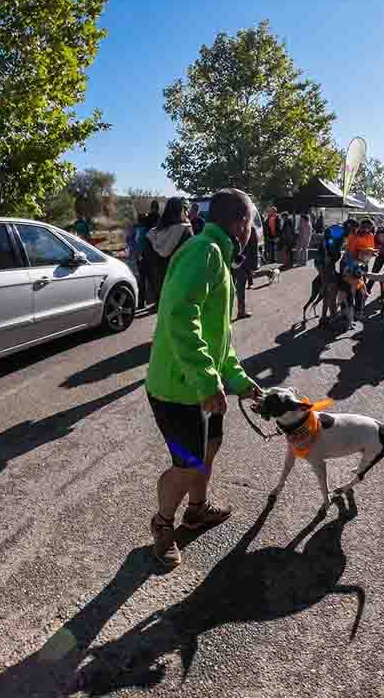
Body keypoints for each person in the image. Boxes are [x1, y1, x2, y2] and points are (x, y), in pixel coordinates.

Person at [146, 189, 262, 569]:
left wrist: (240, 382)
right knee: (188, 464)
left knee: (208, 450)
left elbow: (218, 338)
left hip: (200, 384)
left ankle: (196, 510)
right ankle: (163, 525)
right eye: (252, 223)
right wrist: (208, 382)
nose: (253, 231)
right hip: (179, 388)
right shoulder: (205, 252)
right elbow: (180, 316)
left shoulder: (218, 255)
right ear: (241, 223)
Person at [145, 198, 194, 302]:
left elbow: (149, 259)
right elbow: (191, 257)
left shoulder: (153, 233)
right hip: (179, 282)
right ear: (181, 210)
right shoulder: (185, 230)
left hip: (159, 282)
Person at [234, 224, 260, 319]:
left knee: (236, 288)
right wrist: (254, 266)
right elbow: (254, 248)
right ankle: (241, 311)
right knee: (240, 288)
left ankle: (239, 311)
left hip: (235, 262)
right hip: (244, 264)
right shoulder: (250, 229)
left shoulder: (233, 227)